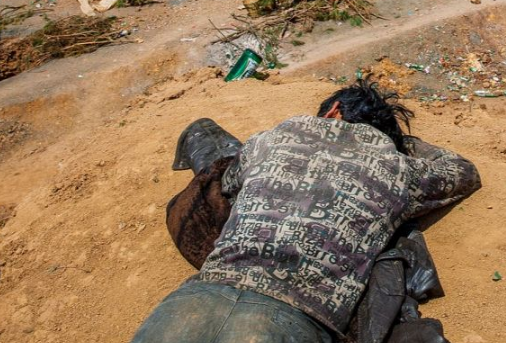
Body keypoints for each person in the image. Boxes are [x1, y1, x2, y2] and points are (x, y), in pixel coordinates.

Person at [133, 81, 480, 343]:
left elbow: (230, 183)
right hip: (293, 320)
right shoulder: (398, 168)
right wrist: (399, 144)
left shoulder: (274, 137)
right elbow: (462, 171)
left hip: (192, 302)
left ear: (333, 111)